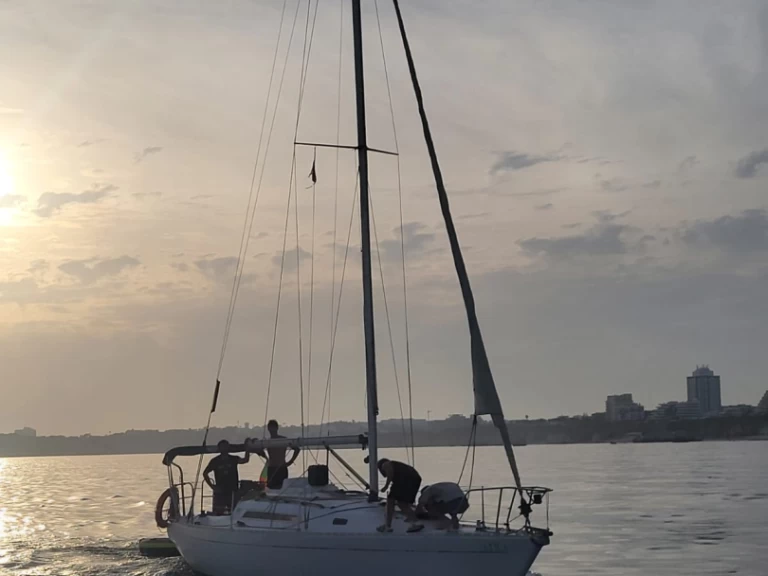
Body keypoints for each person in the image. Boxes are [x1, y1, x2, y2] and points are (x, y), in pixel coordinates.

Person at [376, 458, 424, 533]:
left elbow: (390, 473)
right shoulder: (398, 466)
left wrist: (386, 486)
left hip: (404, 479)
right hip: (415, 479)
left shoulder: (385, 464)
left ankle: (387, 526)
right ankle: (415, 522)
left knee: (390, 501)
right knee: (402, 504)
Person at [203, 439, 250, 514]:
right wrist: (212, 486)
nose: (224, 448)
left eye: (226, 446)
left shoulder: (234, 459)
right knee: (218, 512)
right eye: (222, 447)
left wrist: (247, 449)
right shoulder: (215, 461)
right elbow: (205, 473)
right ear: (219, 448)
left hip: (233, 490)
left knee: (234, 511)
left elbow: (245, 460)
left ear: (228, 447)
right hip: (220, 491)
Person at [255, 420, 300, 489]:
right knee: (271, 488)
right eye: (270, 428)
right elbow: (259, 450)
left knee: (282, 488)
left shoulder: (283, 440)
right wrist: (262, 453)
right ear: (268, 429)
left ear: (277, 428)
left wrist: (290, 461)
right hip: (271, 468)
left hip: (282, 468)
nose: (271, 430)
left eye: (273, 428)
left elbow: (297, 449)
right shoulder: (267, 441)